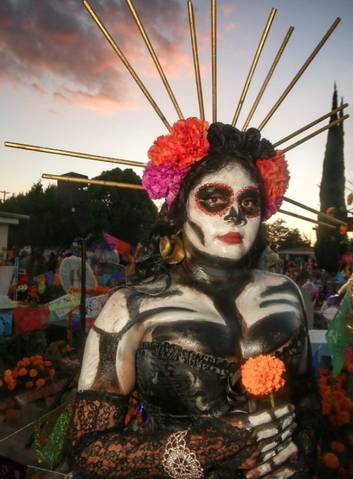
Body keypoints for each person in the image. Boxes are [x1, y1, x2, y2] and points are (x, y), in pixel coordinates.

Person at [69, 122, 320, 478]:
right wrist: (204, 448)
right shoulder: (131, 307)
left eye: (249, 201)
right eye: (215, 199)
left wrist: (301, 446)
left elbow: (308, 396)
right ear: (179, 208)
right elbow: (88, 449)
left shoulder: (287, 292)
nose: (235, 215)